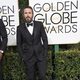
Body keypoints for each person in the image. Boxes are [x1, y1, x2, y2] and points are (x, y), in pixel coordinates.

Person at [17, 6, 48, 80]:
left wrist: (45, 52)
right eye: (26, 13)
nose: (28, 15)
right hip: (28, 57)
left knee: (42, 76)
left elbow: (44, 39)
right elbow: (19, 43)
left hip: (40, 56)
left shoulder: (39, 24)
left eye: (29, 13)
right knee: (30, 77)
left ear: (32, 14)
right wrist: (23, 56)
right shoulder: (19, 28)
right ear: (23, 15)